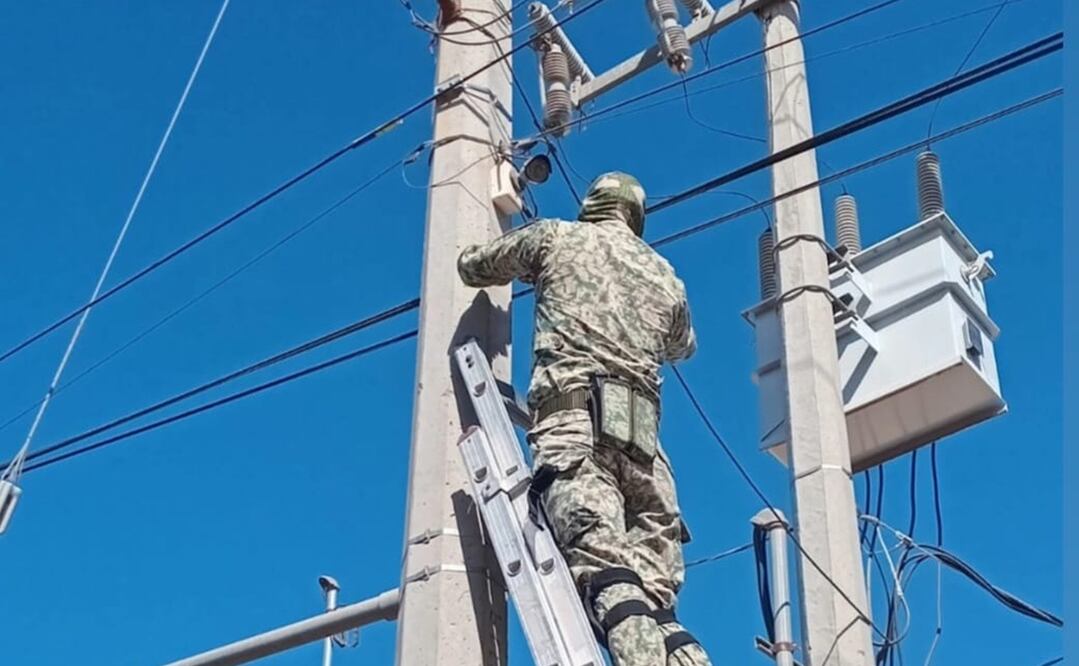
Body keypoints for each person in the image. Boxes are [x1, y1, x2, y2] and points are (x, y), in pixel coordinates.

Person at [457, 172, 710, 666]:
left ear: (593, 203)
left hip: (577, 433)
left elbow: (476, 266)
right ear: (636, 216)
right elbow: (684, 346)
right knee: (660, 609)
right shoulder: (667, 277)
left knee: (611, 579)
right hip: (646, 456)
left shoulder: (556, 237)